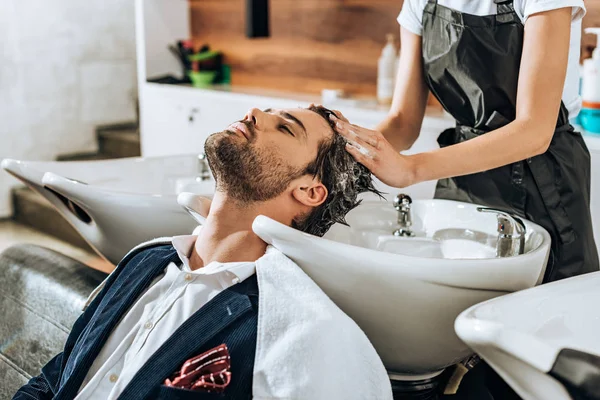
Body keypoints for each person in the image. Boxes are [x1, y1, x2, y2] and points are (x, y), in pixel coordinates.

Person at [13, 105, 393, 400]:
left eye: (285, 127)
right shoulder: (146, 261)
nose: (255, 114)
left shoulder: (287, 326)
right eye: (268, 112)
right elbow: (56, 378)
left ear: (309, 191)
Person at [330, 1, 599, 398]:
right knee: (456, 336)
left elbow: (534, 130)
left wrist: (412, 169)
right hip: (463, 176)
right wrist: (340, 149)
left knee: (540, 351)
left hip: (546, 181)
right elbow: (404, 122)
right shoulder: (421, 3)